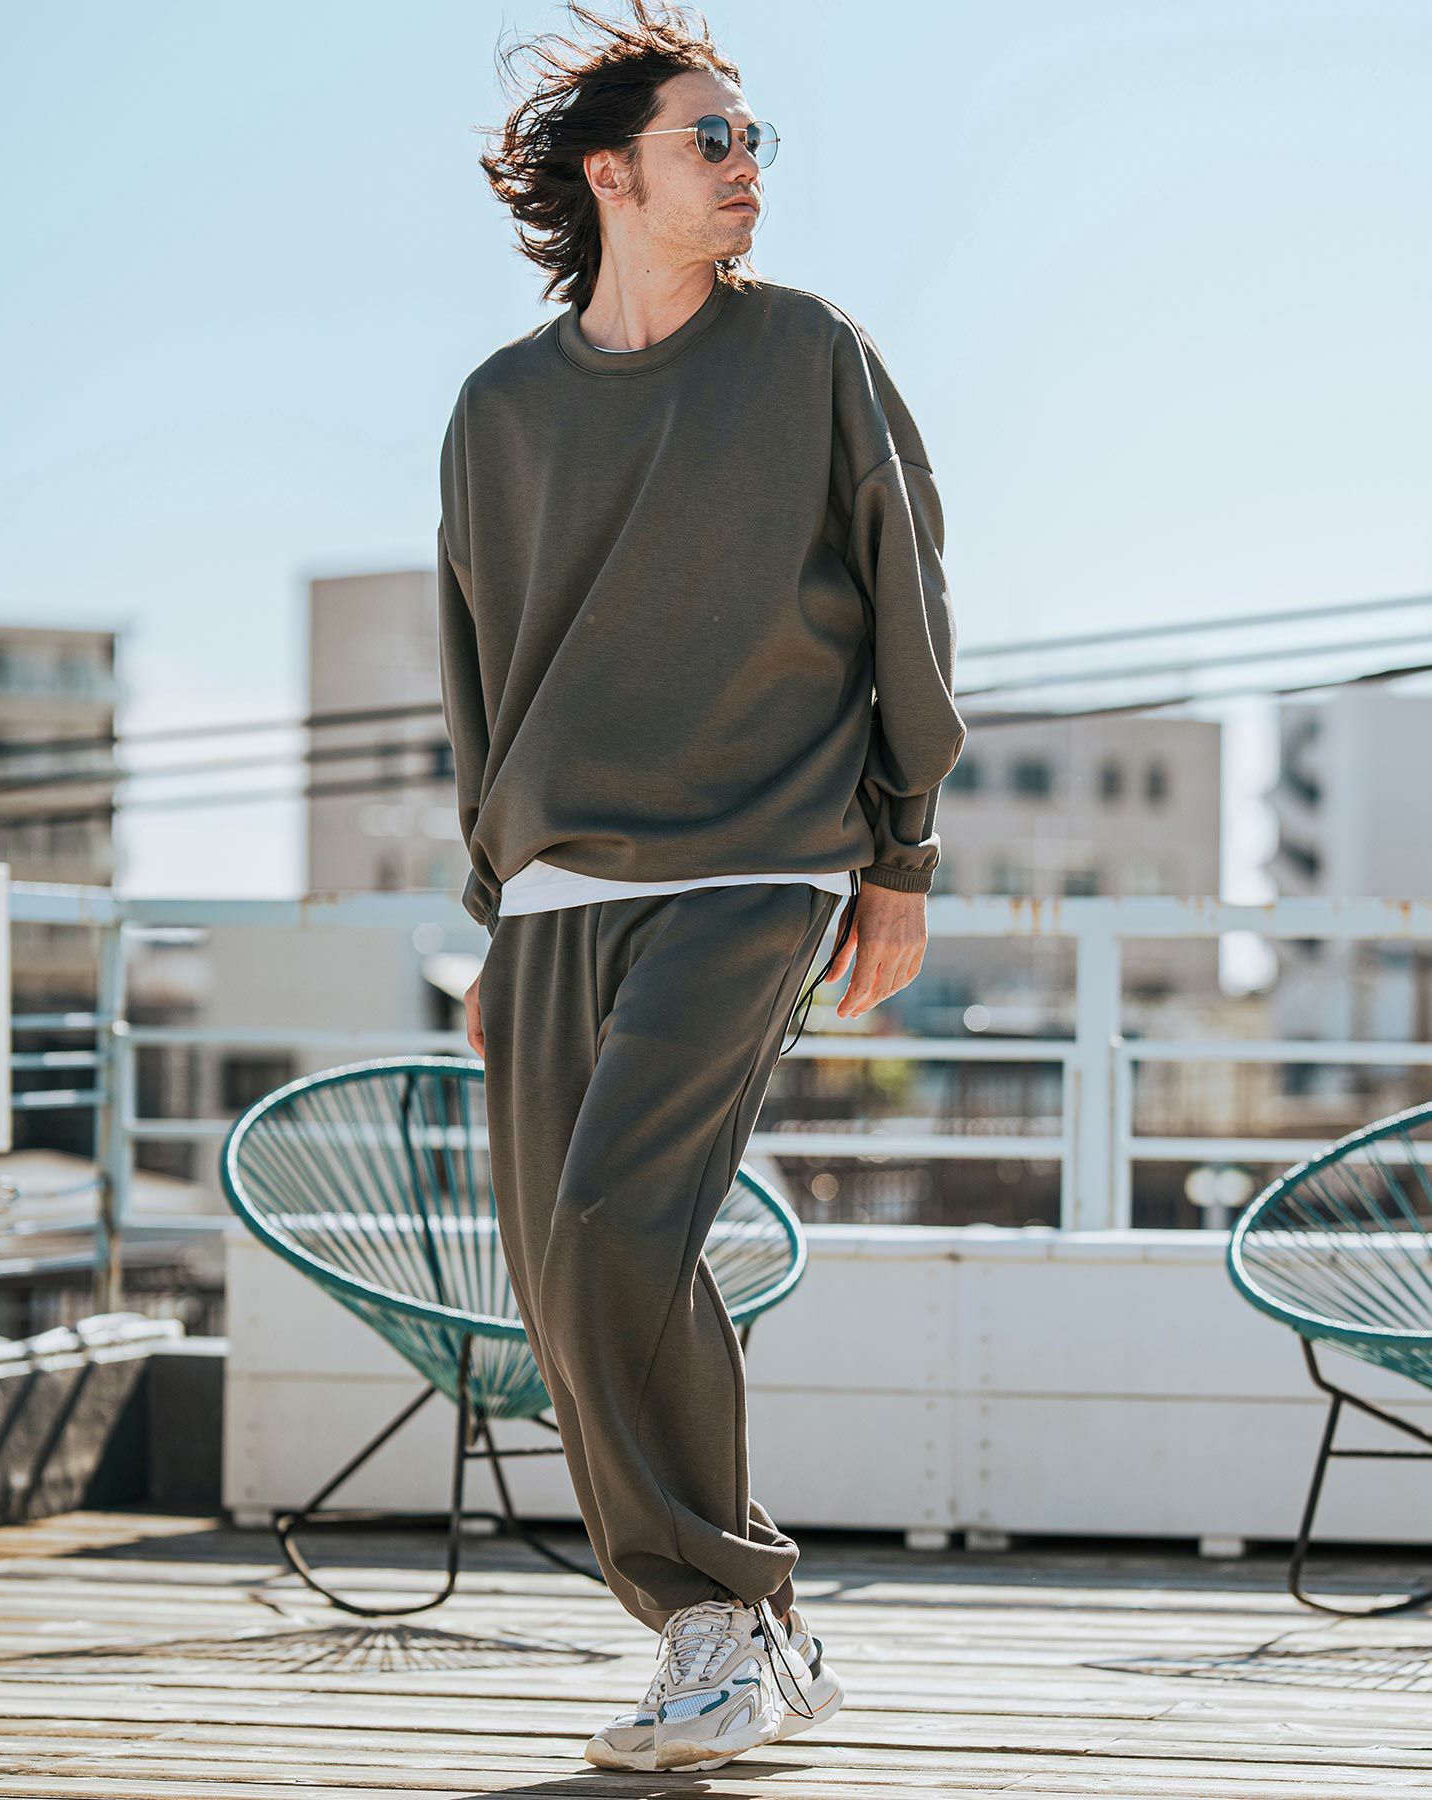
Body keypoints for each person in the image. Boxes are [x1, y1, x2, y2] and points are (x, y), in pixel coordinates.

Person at [436, 0, 964, 1772]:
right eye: (712, 138)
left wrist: (899, 857)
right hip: (554, 893)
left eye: (755, 140)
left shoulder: (809, 352)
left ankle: (717, 1619)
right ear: (613, 173)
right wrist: (495, 909)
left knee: (614, 1224)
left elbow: (908, 596)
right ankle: (750, 1629)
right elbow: (481, 672)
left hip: (760, 858)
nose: (748, 167)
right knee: (564, 1272)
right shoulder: (499, 411)